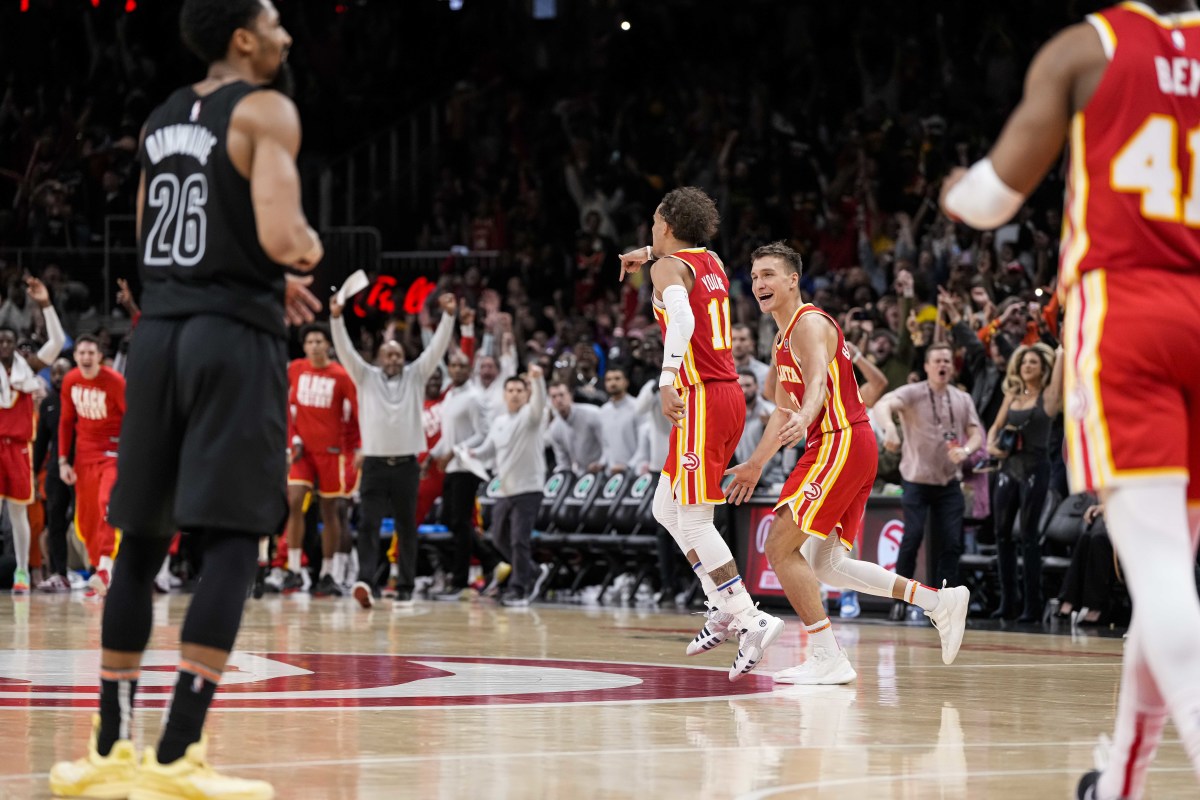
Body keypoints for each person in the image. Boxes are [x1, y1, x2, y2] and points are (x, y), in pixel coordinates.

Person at [49, 1, 323, 796]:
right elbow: (281, 237)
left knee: (139, 537)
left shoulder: (163, 117)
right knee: (236, 538)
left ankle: (108, 750)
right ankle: (176, 755)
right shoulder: (266, 108)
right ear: (243, 37)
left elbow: (147, 236)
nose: (287, 33)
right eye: (276, 20)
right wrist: (309, 256)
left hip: (160, 334)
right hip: (230, 337)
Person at [937, 3, 1200, 795]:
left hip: (1128, 309)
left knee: (1158, 574)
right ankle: (1118, 779)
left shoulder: (1091, 45)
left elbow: (991, 201)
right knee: (1166, 580)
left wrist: (955, 189)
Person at [725, 242, 969, 685]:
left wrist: (806, 413)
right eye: (754, 276)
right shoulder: (781, 343)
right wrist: (756, 463)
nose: (759, 283)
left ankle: (826, 654)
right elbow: (782, 411)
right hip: (840, 446)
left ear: (793, 279)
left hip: (840, 441)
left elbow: (817, 377)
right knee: (826, 564)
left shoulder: (810, 322)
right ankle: (937, 603)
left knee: (779, 548)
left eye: (768, 275)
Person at [618, 186, 782, 682]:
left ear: (667, 224)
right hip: (724, 395)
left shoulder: (668, 269)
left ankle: (750, 616)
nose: (650, 229)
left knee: (692, 521)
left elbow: (683, 318)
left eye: (653, 222)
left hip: (702, 396)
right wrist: (645, 254)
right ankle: (722, 606)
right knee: (664, 508)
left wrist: (666, 380)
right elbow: (677, 266)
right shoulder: (708, 259)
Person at [329, 290, 457, 610]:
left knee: (406, 527)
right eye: (388, 355)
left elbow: (437, 347)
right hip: (373, 463)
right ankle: (366, 582)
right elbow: (344, 350)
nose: (394, 359)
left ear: (405, 357)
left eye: (398, 355)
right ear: (379, 358)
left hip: (406, 465)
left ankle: (405, 586)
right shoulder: (365, 377)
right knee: (369, 525)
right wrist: (335, 318)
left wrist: (449, 317)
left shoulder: (416, 376)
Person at [873, 345, 985, 615]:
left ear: (952, 366)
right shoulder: (913, 393)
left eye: (947, 360)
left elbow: (975, 433)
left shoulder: (961, 398)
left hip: (948, 482)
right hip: (916, 480)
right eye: (937, 360)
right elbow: (882, 404)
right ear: (926, 366)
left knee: (952, 542)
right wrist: (889, 428)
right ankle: (899, 602)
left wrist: (966, 450)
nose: (942, 364)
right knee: (911, 537)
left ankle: (945, 605)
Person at [985, 343, 1063, 621]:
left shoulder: (1050, 397)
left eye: (1033, 362)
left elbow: (1060, 367)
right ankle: (1008, 602)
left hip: (1035, 468)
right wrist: (992, 446)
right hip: (1008, 468)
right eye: (1024, 362)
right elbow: (995, 427)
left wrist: (1063, 348)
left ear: (1043, 368)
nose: (1028, 366)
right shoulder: (1012, 394)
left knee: (1029, 537)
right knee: (1001, 535)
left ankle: (1033, 604)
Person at [283, 323, 360, 596]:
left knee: (330, 512)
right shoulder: (295, 369)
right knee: (294, 502)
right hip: (302, 451)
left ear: (328, 345)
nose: (314, 345)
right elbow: (285, 406)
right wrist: (292, 439)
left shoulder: (341, 376)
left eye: (319, 340)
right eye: (310, 341)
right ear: (304, 347)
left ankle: (328, 572)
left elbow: (358, 414)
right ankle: (293, 569)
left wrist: (359, 448)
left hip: (331, 453)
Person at [468, 364, 553, 607]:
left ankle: (519, 588)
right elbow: (487, 451)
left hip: (529, 489)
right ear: (504, 395)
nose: (515, 393)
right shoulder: (499, 421)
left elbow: (539, 404)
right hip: (505, 490)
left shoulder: (531, 416)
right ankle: (534, 572)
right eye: (511, 390)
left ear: (526, 394)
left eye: (519, 390)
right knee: (498, 538)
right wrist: (470, 453)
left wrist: (537, 381)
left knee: (518, 539)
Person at [0, 279, 65, 595]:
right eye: (1, 340)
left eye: (10, 340)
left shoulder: (28, 370)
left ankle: (22, 571)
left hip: (18, 448)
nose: (6, 345)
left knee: (19, 514)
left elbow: (58, 340)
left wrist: (45, 304)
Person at [58, 335, 126, 596]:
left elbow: (133, 419)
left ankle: (106, 567)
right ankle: (101, 571)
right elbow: (66, 422)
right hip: (83, 457)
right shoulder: (70, 381)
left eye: (91, 353)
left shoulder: (115, 382)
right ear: (75, 356)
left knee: (106, 502)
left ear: (99, 356)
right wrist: (64, 460)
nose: (86, 357)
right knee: (86, 520)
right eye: (81, 353)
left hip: (112, 453)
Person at [34, 357, 73, 592]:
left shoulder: (80, 397)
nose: (58, 377)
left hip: (82, 466)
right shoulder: (48, 402)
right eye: (55, 372)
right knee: (55, 520)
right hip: (55, 470)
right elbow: (41, 444)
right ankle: (61, 573)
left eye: (63, 372)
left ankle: (100, 569)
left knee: (85, 520)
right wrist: (33, 471)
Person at [546, 381, 605, 474]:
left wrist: (601, 463)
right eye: (554, 397)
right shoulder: (554, 428)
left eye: (561, 395)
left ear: (570, 395)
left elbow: (608, 445)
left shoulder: (593, 413)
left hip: (604, 468)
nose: (558, 400)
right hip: (580, 474)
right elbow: (563, 462)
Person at [597, 367, 640, 472]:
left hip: (635, 470)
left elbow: (644, 445)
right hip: (611, 472)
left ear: (626, 382)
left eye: (617, 378)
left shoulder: (638, 406)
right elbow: (606, 444)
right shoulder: (603, 411)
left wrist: (629, 466)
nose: (613, 383)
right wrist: (602, 463)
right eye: (609, 379)